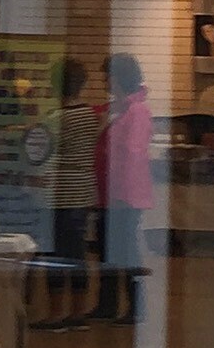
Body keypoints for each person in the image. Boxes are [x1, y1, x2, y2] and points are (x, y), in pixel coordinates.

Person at [93, 52, 155, 326]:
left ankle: (135, 306)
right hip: (110, 192)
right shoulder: (118, 109)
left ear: (117, 77)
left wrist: (122, 196)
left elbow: (134, 154)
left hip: (125, 195)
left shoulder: (137, 111)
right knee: (108, 251)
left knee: (126, 251)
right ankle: (106, 304)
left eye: (107, 75)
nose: (104, 80)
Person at [39, 59, 101, 326]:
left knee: (55, 254)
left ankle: (56, 314)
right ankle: (78, 312)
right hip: (84, 189)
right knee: (77, 253)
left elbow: (40, 150)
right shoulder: (91, 115)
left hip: (58, 192)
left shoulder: (57, 118)